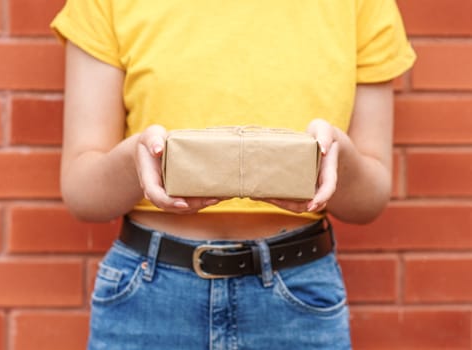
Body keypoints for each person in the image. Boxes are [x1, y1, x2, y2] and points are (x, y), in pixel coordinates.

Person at [51, 0, 415, 349]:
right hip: (147, 295)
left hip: (298, 296)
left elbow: (369, 201)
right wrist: (137, 160)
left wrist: (338, 159)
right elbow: (83, 193)